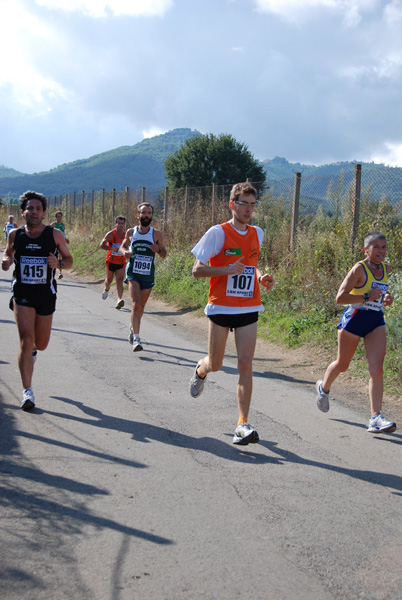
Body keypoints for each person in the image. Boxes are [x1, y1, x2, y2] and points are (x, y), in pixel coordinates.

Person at [189, 182, 275, 445]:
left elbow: (252, 265)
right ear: (232, 205)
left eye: (252, 204)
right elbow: (197, 270)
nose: (248, 209)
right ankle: (201, 371)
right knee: (216, 364)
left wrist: (261, 277)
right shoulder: (217, 233)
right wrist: (226, 270)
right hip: (221, 306)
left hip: (249, 306)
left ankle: (242, 423)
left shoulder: (257, 233)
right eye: (243, 204)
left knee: (245, 364)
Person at [315, 231, 396, 434]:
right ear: (366, 250)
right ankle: (323, 388)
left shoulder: (386, 268)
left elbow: (381, 290)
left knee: (377, 369)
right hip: (354, 319)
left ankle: (375, 417)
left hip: (375, 320)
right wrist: (366, 296)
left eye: (383, 247)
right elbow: (340, 298)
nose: (380, 251)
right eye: (376, 247)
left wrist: (386, 297)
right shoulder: (359, 269)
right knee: (343, 364)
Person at [1, 190, 73, 411]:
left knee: (40, 344)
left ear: (44, 213)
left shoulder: (54, 235)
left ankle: (32, 354)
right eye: (30, 208)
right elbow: (7, 253)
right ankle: (27, 391)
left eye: (38, 209)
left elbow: (69, 260)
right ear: (23, 212)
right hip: (22, 293)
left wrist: (58, 264)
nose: (34, 212)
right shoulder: (15, 234)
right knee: (25, 338)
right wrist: (6, 261)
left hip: (45, 295)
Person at [120, 203, 167, 351]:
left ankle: (132, 327)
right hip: (133, 273)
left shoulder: (156, 234)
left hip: (148, 275)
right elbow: (122, 246)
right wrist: (125, 252)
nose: (146, 215)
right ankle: (137, 339)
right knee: (136, 304)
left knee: (141, 308)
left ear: (152, 216)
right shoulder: (131, 232)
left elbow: (164, 254)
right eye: (143, 213)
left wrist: (158, 249)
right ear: (138, 215)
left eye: (149, 213)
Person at [99, 215, 127, 309]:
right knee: (109, 280)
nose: (120, 225)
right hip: (111, 261)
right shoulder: (111, 234)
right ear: (115, 223)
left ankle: (119, 300)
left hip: (121, 262)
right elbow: (101, 245)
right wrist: (111, 248)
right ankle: (106, 289)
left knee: (119, 281)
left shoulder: (125, 235)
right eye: (119, 223)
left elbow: (129, 246)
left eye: (122, 223)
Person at [51, 211, 70, 279]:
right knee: (54, 256)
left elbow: (63, 234)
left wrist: (65, 239)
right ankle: (52, 269)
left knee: (61, 256)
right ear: (56, 217)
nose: (59, 218)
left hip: (61, 243)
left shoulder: (63, 225)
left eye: (60, 216)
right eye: (58, 216)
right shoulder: (53, 224)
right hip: (54, 243)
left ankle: (60, 272)